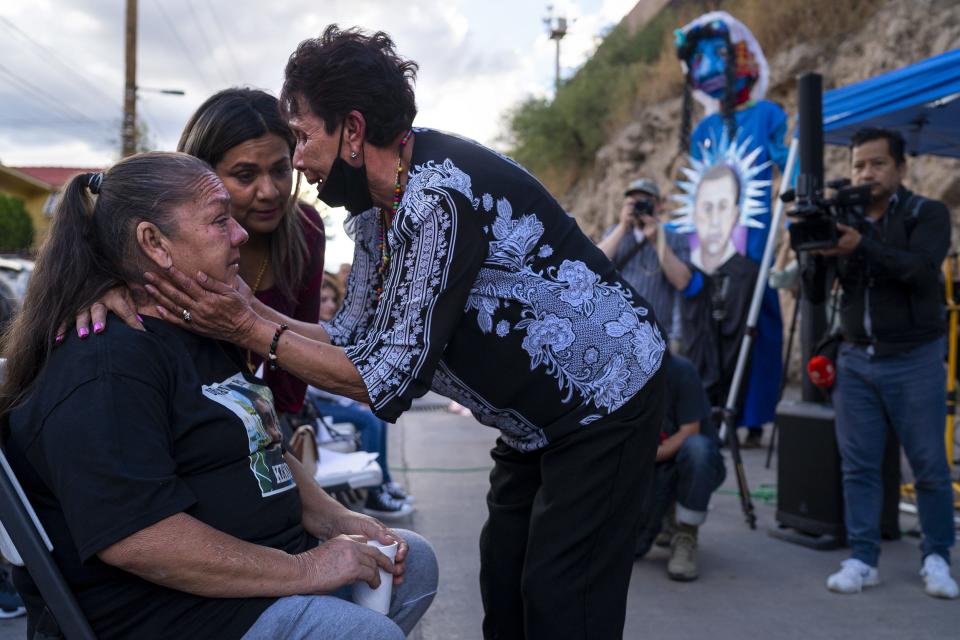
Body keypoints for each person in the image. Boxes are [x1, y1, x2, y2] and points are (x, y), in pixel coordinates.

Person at [140, 26, 667, 639]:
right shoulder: (378, 207)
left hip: (604, 405)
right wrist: (250, 313)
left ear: (354, 131)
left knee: (562, 599)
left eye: (305, 137)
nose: (300, 161)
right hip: (534, 426)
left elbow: (383, 378)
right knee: (505, 581)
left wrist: (247, 327)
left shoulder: (434, 199)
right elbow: (354, 337)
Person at [0, 153, 437, 639]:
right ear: (154, 243)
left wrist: (337, 520)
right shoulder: (105, 366)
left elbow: (255, 442)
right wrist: (309, 569)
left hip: (256, 582)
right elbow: (139, 539)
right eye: (218, 219)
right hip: (175, 615)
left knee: (412, 560)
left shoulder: (197, 329)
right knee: (363, 634)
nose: (240, 234)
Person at [803, 127, 957, 599]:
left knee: (929, 464)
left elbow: (918, 271)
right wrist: (816, 254)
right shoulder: (843, 218)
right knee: (859, 466)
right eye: (858, 165)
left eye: (876, 164)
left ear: (900, 169)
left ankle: (936, 557)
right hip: (855, 358)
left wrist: (860, 245)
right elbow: (813, 295)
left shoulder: (925, 213)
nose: (865, 173)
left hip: (915, 357)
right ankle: (863, 558)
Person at [177, 88, 326, 440]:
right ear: (200, 174)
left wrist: (278, 432)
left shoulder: (306, 230)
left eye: (280, 169)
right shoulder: (165, 239)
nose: (270, 191)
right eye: (245, 175)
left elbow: (301, 356)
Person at [675, 11, 787, 448]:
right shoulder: (703, 127)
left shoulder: (767, 114)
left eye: (715, 54)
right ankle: (710, 407)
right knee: (705, 325)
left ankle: (752, 417)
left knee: (758, 323)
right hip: (707, 241)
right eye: (697, 58)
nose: (704, 67)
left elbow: (786, 167)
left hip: (752, 240)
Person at [309, 273, 414, 518]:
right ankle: (374, 495)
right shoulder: (310, 332)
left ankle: (384, 481)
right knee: (368, 419)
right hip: (314, 407)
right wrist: (352, 398)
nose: (331, 306)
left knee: (377, 414)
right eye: (324, 300)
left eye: (333, 300)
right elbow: (315, 383)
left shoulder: (332, 329)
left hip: (328, 402)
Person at [634, 355, 725, 582]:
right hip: (651, 471)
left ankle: (686, 533)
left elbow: (689, 431)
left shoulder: (680, 370)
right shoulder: (624, 371)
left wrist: (642, 457)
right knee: (634, 546)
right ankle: (665, 519)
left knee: (697, 449)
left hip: (692, 465)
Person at [678, 163, 758, 411]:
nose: (714, 220)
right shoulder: (686, 266)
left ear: (735, 213)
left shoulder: (747, 271)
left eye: (722, 207)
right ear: (694, 213)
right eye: (707, 208)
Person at [596, 177, 691, 347]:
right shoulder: (615, 234)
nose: (640, 207)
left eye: (645, 202)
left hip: (658, 334)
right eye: (634, 202)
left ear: (659, 205)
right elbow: (593, 266)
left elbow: (682, 281)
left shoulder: (676, 239)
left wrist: (657, 241)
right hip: (618, 332)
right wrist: (622, 227)